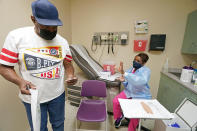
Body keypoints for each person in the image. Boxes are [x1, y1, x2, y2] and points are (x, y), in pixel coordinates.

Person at [0, 0, 77, 131]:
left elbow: (68, 64)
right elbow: (4, 67)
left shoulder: (62, 41)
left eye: (54, 27)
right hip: (33, 97)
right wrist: (19, 81)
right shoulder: (16, 37)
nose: (51, 31)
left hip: (57, 95)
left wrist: (70, 75)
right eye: (46, 27)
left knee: (59, 124)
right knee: (38, 128)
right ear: (33, 19)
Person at [113, 53, 151, 131]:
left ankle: (131, 129)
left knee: (135, 115)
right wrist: (123, 81)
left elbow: (140, 81)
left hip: (140, 95)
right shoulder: (131, 69)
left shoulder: (146, 71)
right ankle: (119, 117)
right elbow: (128, 83)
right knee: (115, 101)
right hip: (129, 92)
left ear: (143, 63)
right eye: (134, 59)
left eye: (138, 61)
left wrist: (124, 73)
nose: (135, 61)